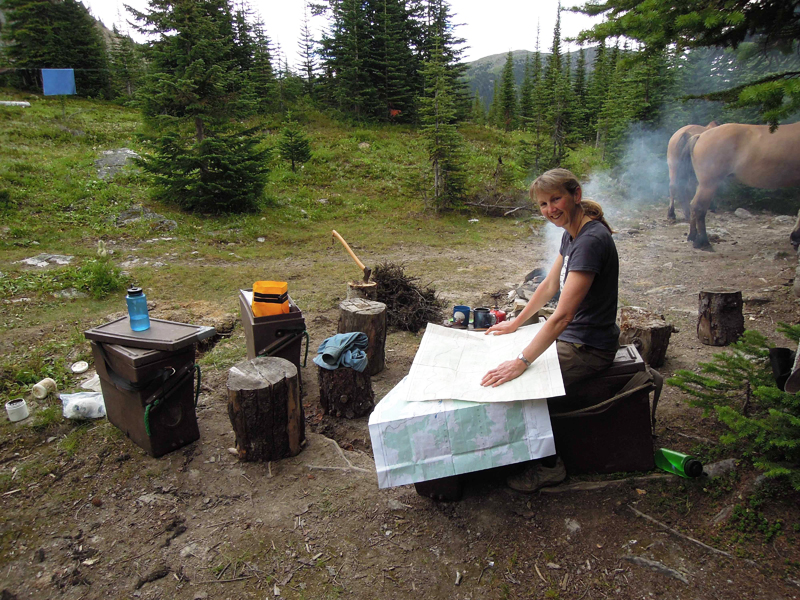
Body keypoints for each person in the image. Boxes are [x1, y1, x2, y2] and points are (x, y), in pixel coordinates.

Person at [480, 168, 619, 492]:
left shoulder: (590, 241)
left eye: (555, 199)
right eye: (543, 204)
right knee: (506, 356)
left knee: (522, 385)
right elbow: (548, 285)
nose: (549, 209)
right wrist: (516, 323)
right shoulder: (571, 233)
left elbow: (563, 316)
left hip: (590, 347)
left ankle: (549, 466)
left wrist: (523, 361)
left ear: (576, 195)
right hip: (576, 336)